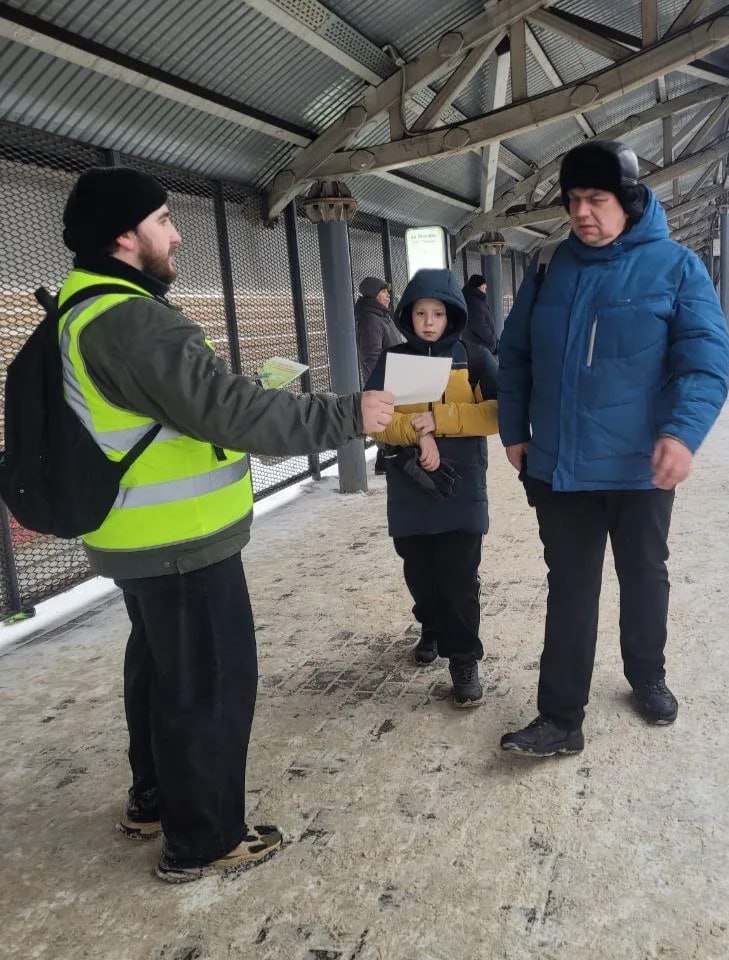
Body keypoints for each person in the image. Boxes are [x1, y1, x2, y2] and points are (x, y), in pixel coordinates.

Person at [57, 167, 395, 881]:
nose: (176, 233)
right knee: (208, 687)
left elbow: (185, 409)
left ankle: (155, 800)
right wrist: (345, 415)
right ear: (125, 236)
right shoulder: (131, 320)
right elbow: (230, 415)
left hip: (140, 542)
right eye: (162, 220)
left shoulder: (83, 305)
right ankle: (202, 840)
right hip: (179, 545)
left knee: (161, 675)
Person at [497, 140, 729, 757]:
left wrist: (681, 433)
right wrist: (514, 430)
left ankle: (646, 675)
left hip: (637, 471)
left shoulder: (676, 268)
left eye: (596, 199)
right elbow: (515, 354)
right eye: (573, 200)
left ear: (627, 202)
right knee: (570, 587)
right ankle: (559, 718)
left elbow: (705, 363)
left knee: (643, 575)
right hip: (561, 469)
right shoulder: (548, 266)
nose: (581, 213)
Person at [364, 269, 498, 704]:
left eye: (437, 313)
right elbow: (376, 422)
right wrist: (418, 434)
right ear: (407, 314)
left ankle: (463, 660)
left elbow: (500, 413)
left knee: (459, 576)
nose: (428, 321)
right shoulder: (392, 361)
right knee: (419, 570)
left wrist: (442, 421)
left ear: (452, 315)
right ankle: (431, 625)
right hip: (410, 484)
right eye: (420, 312)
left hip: (462, 485)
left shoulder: (474, 358)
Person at [354, 277, 404, 474]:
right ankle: (385, 458)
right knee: (384, 418)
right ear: (375, 295)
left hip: (392, 375)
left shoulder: (381, 315)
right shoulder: (370, 318)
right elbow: (370, 354)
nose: (388, 296)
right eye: (384, 292)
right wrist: (382, 378)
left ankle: (386, 457)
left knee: (390, 417)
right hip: (383, 379)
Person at [461, 274, 497, 354]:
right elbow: (480, 326)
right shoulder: (474, 303)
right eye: (484, 288)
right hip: (480, 347)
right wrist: (492, 339)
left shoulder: (474, 300)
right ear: (478, 288)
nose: (485, 291)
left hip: (478, 345)